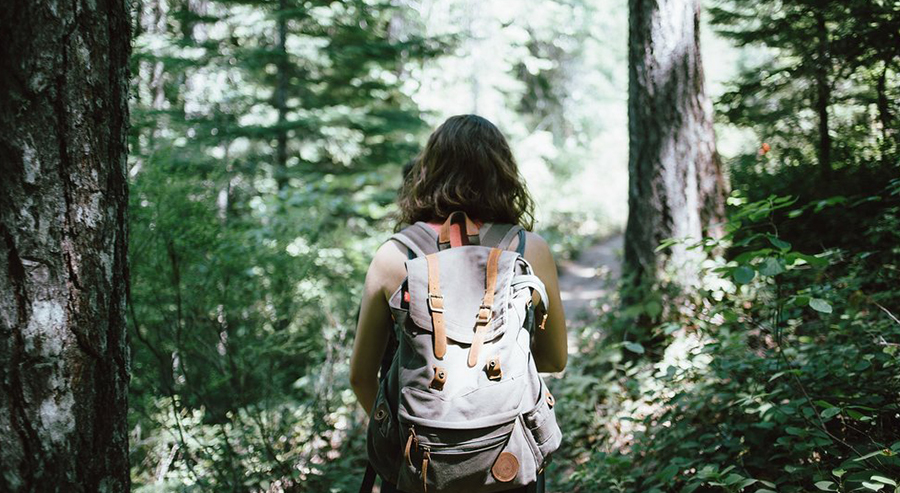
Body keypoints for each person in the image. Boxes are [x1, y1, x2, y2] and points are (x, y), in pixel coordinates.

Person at [350, 114, 568, 493]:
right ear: (502, 173)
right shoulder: (529, 249)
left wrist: (409, 434)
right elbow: (553, 360)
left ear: (428, 171)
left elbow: (360, 375)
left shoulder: (393, 256)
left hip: (418, 465)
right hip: (506, 463)